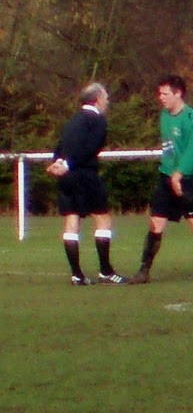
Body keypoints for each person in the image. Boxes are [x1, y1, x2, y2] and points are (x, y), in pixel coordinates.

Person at [128, 76, 193, 284]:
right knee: (156, 222)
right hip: (166, 176)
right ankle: (143, 270)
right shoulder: (164, 116)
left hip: (190, 178)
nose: (161, 98)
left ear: (178, 94)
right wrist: (170, 172)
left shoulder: (191, 118)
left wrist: (180, 173)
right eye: (160, 94)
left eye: (165, 94)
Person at [48, 83, 127, 285]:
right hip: (84, 174)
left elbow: (60, 146)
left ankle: (77, 275)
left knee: (71, 221)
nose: (108, 102)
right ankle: (106, 272)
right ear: (97, 99)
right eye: (106, 98)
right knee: (103, 219)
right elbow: (91, 148)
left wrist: (58, 163)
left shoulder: (72, 120)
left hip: (67, 177)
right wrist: (69, 164)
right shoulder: (97, 120)